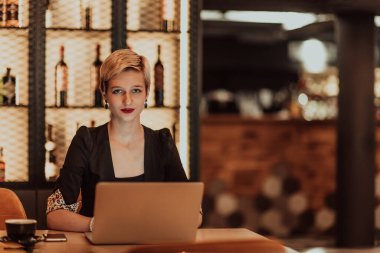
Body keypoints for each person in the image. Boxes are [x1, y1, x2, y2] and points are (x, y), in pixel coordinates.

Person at [46, 49, 202, 232]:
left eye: (136, 90)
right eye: (118, 91)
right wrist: (97, 225)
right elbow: (55, 215)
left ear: (147, 93)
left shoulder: (163, 143)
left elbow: (194, 214)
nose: (127, 100)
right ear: (104, 93)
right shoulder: (86, 140)